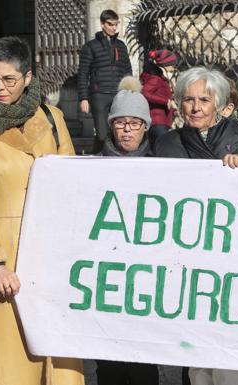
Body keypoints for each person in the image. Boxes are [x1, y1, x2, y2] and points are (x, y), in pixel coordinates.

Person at [0, 36, 83, 385]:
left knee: (55, 368)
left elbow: (71, 183)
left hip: (50, 262)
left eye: (9, 79)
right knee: (3, 370)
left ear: (27, 78)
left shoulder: (52, 119)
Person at [155, 66, 238, 385]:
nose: (195, 107)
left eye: (204, 100)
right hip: (188, 262)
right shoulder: (168, 145)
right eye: (188, 100)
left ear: (219, 104)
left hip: (232, 262)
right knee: (195, 355)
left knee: (230, 354)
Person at [95, 76, 159, 384]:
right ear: (111, 126)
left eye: (135, 123)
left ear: (146, 126)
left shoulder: (165, 163)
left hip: (146, 281)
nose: (128, 130)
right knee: (108, 365)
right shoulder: (91, 165)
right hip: (106, 279)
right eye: (121, 123)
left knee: (144, 363)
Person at [78, 9, 132, 153]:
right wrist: (83, 98)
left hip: (119, 95)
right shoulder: (90, 47)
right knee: (102, 134)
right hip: (99, 95)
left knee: (117, 134)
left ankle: (106, 159)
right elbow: (83, 74)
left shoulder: (121, 46)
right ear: (102, 24)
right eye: (110, 24)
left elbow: (128, 71)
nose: (114, 28)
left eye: (116, 24)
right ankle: (96, 157)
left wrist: (131, 92)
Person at [140, 49, 178, 149]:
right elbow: (145, 93)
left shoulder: (160, 78)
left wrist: (173, 110)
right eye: (172, 65)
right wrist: (166, 102)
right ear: (165, 64)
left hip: (161, 121)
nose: (174, 68)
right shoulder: (156, 78)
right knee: (162, 151)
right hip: (158, 122)